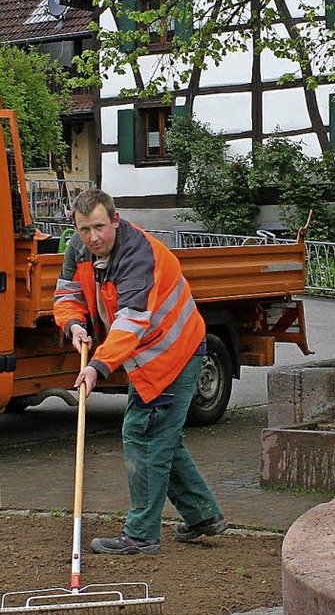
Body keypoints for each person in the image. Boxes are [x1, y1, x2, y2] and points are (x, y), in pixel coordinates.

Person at [53, 189, 227, 554]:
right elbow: (67, 295)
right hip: (145, 353)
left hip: (172, 351)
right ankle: (202, 516)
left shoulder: (138, 254)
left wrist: (98, 366)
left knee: (144, 434)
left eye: (99, 227)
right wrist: (73, 325)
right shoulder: (79, 249)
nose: (92, 237)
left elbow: (131, 321)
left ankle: (141, 535)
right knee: (162, 437)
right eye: (84, 229)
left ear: (115, 220)